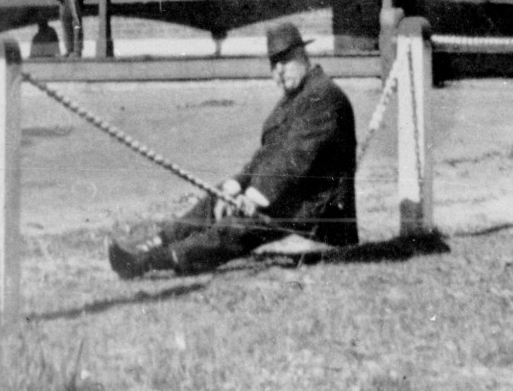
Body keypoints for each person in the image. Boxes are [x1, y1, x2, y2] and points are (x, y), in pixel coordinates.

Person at [107, 21, 358, 277]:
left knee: (238, 225)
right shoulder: (295, 99)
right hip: (290, 199)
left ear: (303, 56)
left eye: (285, 61)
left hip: (317, 217)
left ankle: (148, 262)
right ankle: (156, 242)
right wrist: (236, 186)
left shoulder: (323, 97)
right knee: (219, 196)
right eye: (274, 64)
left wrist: (253, 196)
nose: (279, 71)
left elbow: (291, 160)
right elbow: (266, 156)